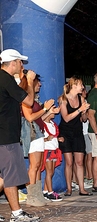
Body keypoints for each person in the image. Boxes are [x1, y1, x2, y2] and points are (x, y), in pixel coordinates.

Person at [0, 48, 41, 222]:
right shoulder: (5, 79)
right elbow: (29, 102)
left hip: (2, 134)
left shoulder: (4, 80)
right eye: (20, 62)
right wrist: (29, 81)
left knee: (2, 177)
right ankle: (16, 214)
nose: (22, 65)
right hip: (6, 136)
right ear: (13, 62)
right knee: (10, 176)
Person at [20, 72, 55, 207]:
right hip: (31, 134)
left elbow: (39, 117)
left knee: (38, 165)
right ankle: (32, 195)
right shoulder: (25, 99)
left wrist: (49, 112)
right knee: (34, 166)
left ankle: (37, 194)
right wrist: (45, 108)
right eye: (37, 82)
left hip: (38, 133)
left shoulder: (35, 99)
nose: (40, 84)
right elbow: (30, 117)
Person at [59, 76, 93, 196]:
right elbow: (66, 118)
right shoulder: (63, 99)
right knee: (69, 162)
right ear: (74, 86)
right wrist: (79, 110)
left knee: (79, 162)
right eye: (81, 85)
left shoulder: (81, 98)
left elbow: (83, 120)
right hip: (65, 132)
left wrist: (84, 112)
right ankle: (69, 188)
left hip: (78, 132)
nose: (83, 87)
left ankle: (82, 188)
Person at [41, 105, 63, 201]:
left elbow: (53, 136)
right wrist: (46, 139)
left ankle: (46, 191)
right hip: (48, 150)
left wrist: (58, 139)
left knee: (52, 172)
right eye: (52, 111)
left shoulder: (53, 124)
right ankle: (50, 192)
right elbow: (39, 138)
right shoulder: (42, 124)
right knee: (49, 172)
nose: (54, 112)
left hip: (54, 150)